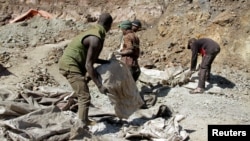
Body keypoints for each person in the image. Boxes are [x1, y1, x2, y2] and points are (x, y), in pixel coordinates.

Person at [58, 13, 113, 126]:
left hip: (73, 63)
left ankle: (83, 119)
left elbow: (92, 59)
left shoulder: (93, 32)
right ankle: (82, 125)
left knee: (82, 90)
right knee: (84, 96)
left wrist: (106, 62)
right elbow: (89, 65)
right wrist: (100, 86)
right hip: (70, 65)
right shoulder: (95, 39)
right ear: (109, 25)